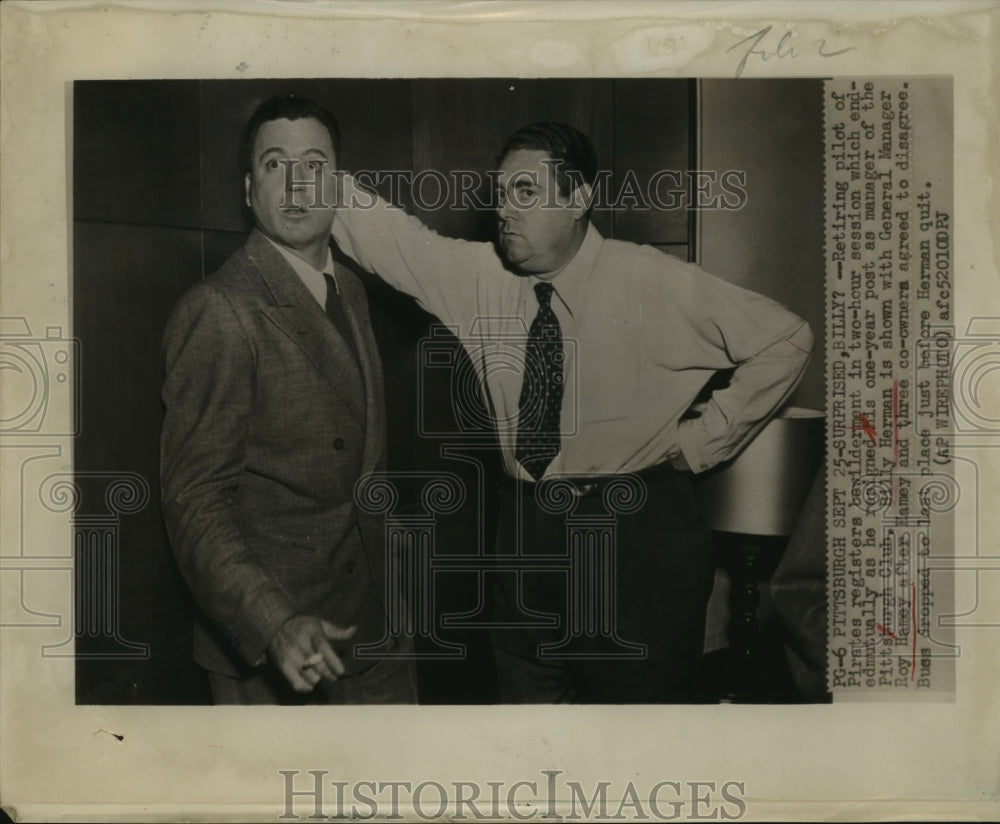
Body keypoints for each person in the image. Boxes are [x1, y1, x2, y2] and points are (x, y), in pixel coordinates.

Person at [328, 121, 814, 703]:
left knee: (631, 746)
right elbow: (389, 238)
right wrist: (311, 170)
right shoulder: (480, 277)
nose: (506, 211)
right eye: (502, 195)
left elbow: (786, 339)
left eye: (526, 194)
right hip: (524, 535)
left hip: (632, 538)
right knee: (532, 738)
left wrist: (702, 441)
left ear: (579, 198)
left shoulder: (651, 279)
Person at [160, 95, 416, 704]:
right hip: (279, 647)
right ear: (250, 190)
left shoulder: (349, 288)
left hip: (374, 624)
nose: (298, 185)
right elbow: (193, 500)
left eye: (315, 165)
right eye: (276, 165)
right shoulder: (219, 310)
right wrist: (274, 623)